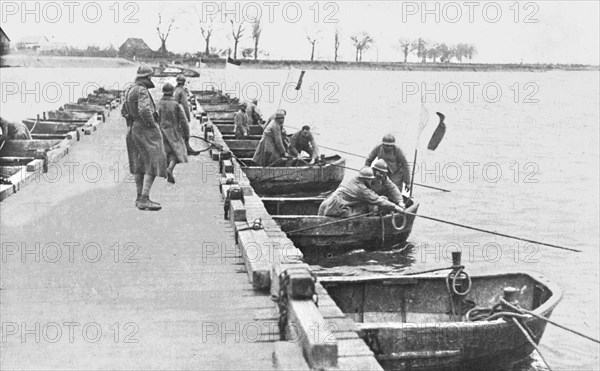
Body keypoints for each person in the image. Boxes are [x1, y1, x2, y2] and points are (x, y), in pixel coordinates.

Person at [121, 65, 167, 211]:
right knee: (154, 160)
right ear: (146, 77)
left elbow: (124, 111)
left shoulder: (130, 89)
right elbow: (144, 109)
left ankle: (139, 197)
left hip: (133, 128)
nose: (151, 79)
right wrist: (152, 125)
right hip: (144, 129)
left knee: (138, 163)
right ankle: (144, 198)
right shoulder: (141, 90)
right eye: (150, 76)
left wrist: (131, 122)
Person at [318, 167, 405, 217]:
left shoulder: (353, 180)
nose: (371, 181)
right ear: (365, 179)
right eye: (370, 180)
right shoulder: (361, 189)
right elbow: (377, 200)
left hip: (325, 204)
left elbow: (372, 197)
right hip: (333, 209)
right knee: (364, 210)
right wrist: (396, 208)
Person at [158, 83, 189, 184]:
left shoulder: (158, 103)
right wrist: (186, 136)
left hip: (161, 131)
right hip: (174, 132)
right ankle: (170, 169)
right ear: (172, 92)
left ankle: (166, 170)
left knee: (166, 152)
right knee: (177, 153)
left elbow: (154, 118)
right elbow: (184, 121)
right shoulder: (176, 105)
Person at [173, 74, 200, 155]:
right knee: (185, 132)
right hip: (181, 115)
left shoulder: (177, 90)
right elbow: (183, 105)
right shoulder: (180, 91)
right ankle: (186, 149)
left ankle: (183, 149)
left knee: (181, 132)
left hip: (179, 114)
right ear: (184, 82)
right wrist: (186, 117)